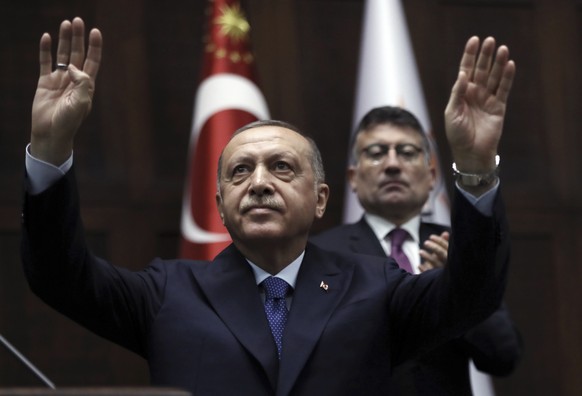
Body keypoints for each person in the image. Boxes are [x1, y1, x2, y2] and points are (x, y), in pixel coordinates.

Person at [21, 17, 514, 396]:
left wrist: (474, 167)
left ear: (321, 199)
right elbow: (60, 275)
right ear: (220, 203)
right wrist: (49, 151)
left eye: (281, 167)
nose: (258, 183)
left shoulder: (377, 285)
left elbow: (470, 295)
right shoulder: (168, 292)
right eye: (240, 171)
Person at [311, 105, 522, 395]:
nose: (393, 164)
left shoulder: (461, 249)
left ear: (432, 176)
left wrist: (456, 286)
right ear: (353, 179)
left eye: (408, 153)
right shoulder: (322, 254)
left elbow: (503, 355)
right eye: (376, 153)